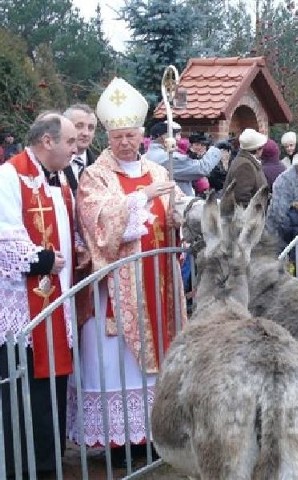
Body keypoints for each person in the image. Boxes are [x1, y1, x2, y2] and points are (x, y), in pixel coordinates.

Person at [68, 77, 187, 460]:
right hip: (118, 291)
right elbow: (94, 220)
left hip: (160, 283)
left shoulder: (159, 171)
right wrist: (139, 199)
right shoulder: (95, 175)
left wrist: (187, 213)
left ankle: (155, 434)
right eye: (118, 136)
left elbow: (177, 207)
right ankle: (119, 443)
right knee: (116, 361)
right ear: (108, 136)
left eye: (131, 135)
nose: (125, 142)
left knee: (160, 362)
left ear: (141, 136)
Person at [0, 112, 79, 476]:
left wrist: (78, 246)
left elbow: (66, 225)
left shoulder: (61, 179)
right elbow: (5, 236)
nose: (76, 148)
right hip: (23, 310)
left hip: (55, 303)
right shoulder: (10, 175)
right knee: (25, 394)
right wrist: (44, 258)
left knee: (52, 393)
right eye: (71, 141)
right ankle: (25, 469)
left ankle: (50, 465)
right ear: (48, 141)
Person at [146, 121, 221, 196]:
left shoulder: (149, 154)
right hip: (177, 203)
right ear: (163, 137)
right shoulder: (168, 157)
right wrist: (216, 148)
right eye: (175, 134)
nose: (178, 139)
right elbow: (202, 168)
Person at [222, 128, 268, 207]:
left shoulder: (246, 161)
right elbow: (241, 199)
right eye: (262, 147)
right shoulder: (245, 166)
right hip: (248, 217)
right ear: (257, 149)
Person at [62, 104, 98, 195]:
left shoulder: (101, 166)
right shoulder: (51, 163)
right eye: (79, 126)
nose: (86, 133)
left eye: (90, 128)